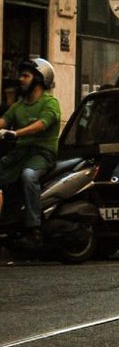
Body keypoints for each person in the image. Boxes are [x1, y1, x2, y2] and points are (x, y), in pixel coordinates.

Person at [0, 58, 62, 248]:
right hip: (20, 154)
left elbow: (42, 124)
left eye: (26, 76)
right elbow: (4, 121)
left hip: (42, 154)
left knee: (28, 176)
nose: (21, 79)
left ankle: (34, 227)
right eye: (21, 76)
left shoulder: (50, 103)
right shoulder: (19, 106)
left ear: (39, 79)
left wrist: (16, 133)